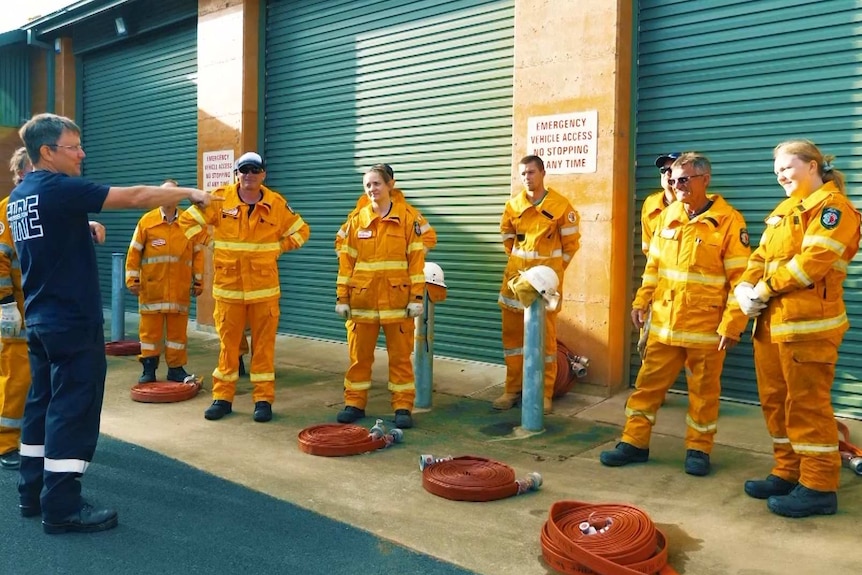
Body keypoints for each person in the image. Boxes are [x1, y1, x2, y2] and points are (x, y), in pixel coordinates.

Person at [9, 113, 216, 534]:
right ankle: (63, 506)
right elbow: (136, 195)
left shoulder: (21, 196)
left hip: (41, 318)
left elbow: (47, 235)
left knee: (41, 405)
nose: (82, 153)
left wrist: (84, 228)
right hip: (72, 321)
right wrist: (191, 192)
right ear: (48, 152)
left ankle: (32, 493)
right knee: (73, 409)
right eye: (74, 146)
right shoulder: (59, 187)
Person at [599, 152, 750, 476]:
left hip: (705, 330)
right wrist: (641, 301)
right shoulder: (667, 217)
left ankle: (699, 449)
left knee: (704, 394)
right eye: (673, 178)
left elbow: (742, 280)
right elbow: (654, 267)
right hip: (665, 326)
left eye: (684, 179)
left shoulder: (728, 222)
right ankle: (633, 442)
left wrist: (733, 323)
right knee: (646, 388)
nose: (675, 184)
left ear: (704, 180)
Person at [736, 140, 860, 518]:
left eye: (787, 168)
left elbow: (812, 263)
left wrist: (764, 288)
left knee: (807, 406)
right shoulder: (784, 210)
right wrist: (744, 286)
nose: (781, 176)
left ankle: (819, 485)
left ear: (812, 166)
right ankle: (789, 471)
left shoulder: (834, 209)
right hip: (772, 325)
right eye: (777, 172)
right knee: (776, 403)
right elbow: (759, 257)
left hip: (809, 327)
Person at [180, 151, 310, 423]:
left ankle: (263, 400)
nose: (249, 175)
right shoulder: (220, 198)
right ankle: (223, 398)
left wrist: (279, 246)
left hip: (264, 291)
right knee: (228, 348)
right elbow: (187, 221)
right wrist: (210, 243)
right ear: (236, 174)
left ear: (263, 174)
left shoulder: (276, 203)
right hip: (229, 290)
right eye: (244, 170)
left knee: (263, 348)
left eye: (254, 170)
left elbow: (301, 231)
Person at [334, 164, 425, 429]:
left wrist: (416, 298)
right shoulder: (357, 221)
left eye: (377, 184)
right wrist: (342, 298)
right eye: (368, 185)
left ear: (389, 186)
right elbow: (346, 262)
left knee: (400, 359)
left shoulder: (408, 219)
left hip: (397, 303)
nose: (372, 189)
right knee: (359, 359)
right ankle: (354, 403)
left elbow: (416, 261)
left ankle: (403, 406)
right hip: (362, 302)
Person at [493, 155, 580, 414]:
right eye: (523, 174)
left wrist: (552, 272)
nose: (527, 178)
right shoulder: (514, 205)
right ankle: (512, 389)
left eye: (531, 172)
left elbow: (570, 247)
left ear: (543, 173)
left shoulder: (561, 207)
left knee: (545, 342)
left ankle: (544, 393)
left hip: (544, 287)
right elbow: (508, 239)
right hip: (514, 282)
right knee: (513, 340)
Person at [126, 179, 204, 384]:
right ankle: (148, 370)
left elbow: (197, 254)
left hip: (179, 290)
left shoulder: (188, 222)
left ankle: (176, 369)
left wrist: (198, 281)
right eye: (163, 194)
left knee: (177, 335)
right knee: (150, 334)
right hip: (152, 289)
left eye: (172, 194)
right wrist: (132, 278)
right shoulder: (147, 222)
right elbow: (134, 252)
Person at [0, 148, 33, 471]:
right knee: (17, 377)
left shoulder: (40, 206)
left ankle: (34, 438)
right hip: (16, 310)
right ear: (21, 174)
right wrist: (6, 305)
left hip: (41, 308)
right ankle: (6, 441)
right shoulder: (8, 211)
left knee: (40, 378)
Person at [334, 163, 436, 254]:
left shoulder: (407, 213)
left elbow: (429, 237)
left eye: (378, 183)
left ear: (390, 184)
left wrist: (411, 261)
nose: (373, 188)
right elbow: (340, 240)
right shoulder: (359, 214)